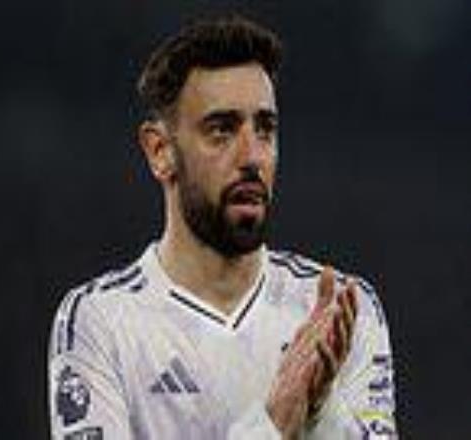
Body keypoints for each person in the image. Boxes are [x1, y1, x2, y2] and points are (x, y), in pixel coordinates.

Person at [48, 13, 397, 439]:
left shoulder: (342, 312)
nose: (252, 156)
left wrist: (321, 411)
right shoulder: (101, 323)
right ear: (160, 151)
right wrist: (272, 424)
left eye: (265, 129)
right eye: (222, 130)